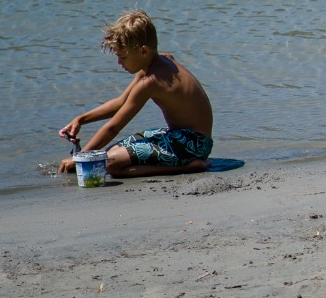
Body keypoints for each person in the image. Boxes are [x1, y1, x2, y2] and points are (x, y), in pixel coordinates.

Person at [58, 11, 215, 177]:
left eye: (123, 57)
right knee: (112, 151)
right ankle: (182, 162)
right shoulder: (161, 61)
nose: (119, 62)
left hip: (193, 145)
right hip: (184, 137)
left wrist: (80, 158)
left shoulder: (151, 82)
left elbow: (113, 128)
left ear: (144, 51)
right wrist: (81, 120)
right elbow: (120, 103)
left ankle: (189, 167)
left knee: (110, 164)